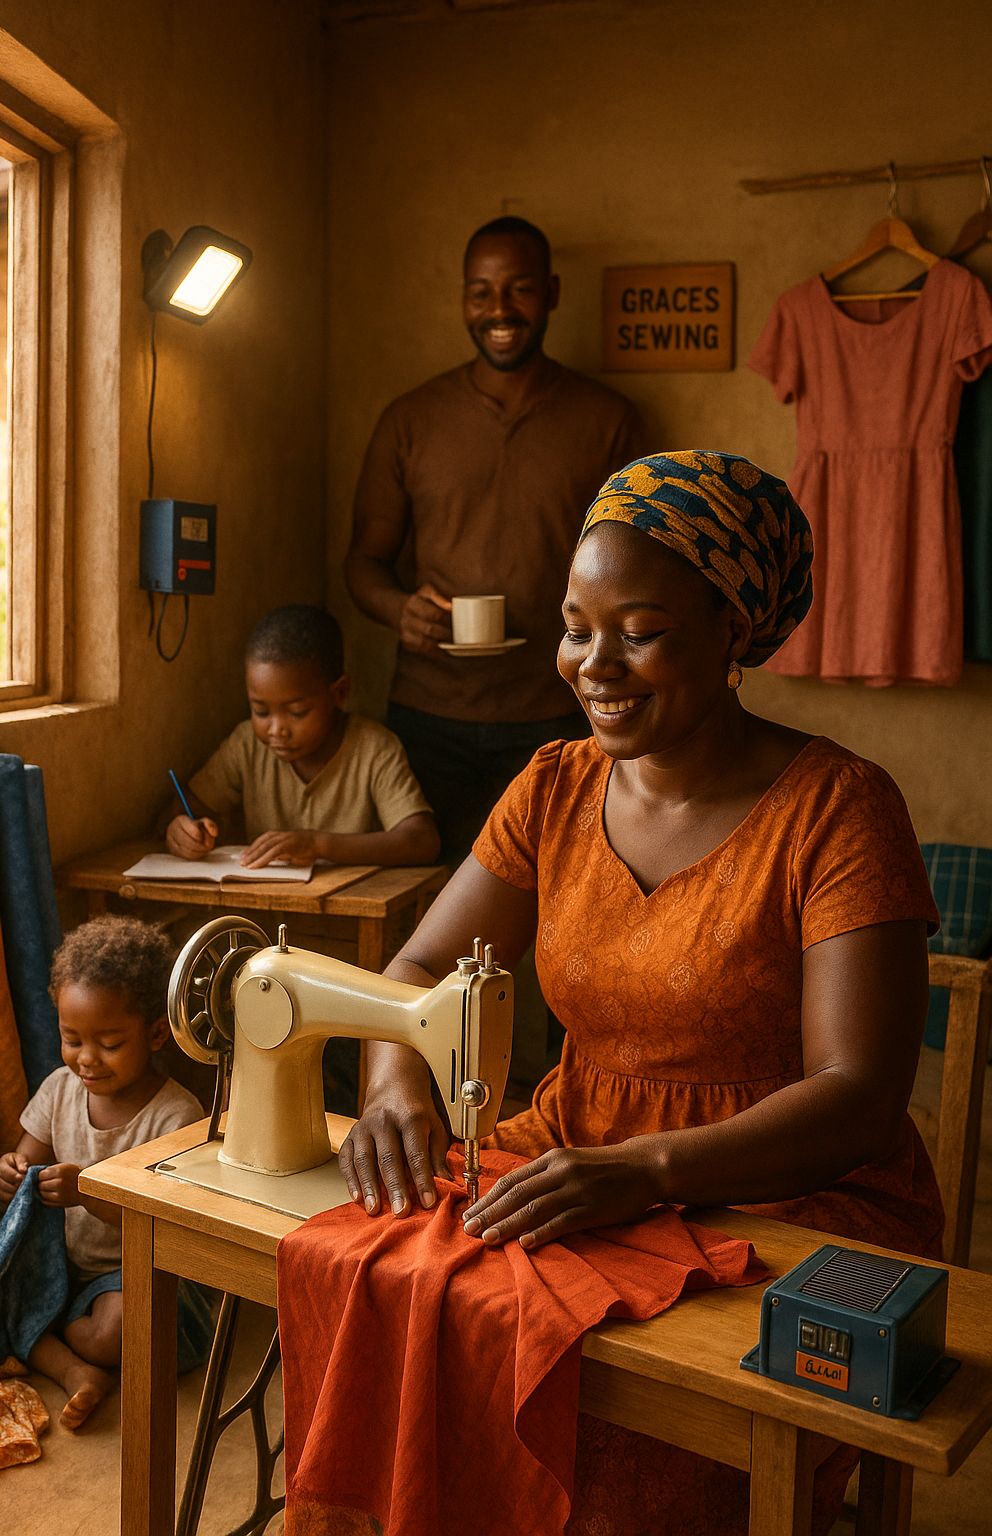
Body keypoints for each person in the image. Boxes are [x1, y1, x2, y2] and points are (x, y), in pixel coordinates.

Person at [339, 451, 942, 1534]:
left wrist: (648, 1170)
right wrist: (395, 1083)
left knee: (624, 1440)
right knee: (394, 1299)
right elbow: (418, 971)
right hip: (579, 1149)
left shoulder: (838, 810)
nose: (592, 663)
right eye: (577, 625)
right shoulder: (553, 787)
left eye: (641, 629)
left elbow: (859, 1094)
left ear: (734, 631)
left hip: (785, 1186)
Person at [344, 215, 647, 866]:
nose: (499, 310)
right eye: (480, 292)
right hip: (429, 718)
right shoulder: (410, 419)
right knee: (431, 913)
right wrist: (400, 610)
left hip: (562, 709)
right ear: (463, 300)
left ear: (553, 292)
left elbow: (642, 571)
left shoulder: (608, 420)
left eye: (520, 289)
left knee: (568, 906)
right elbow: (363, 564)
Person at [0, 916, 210, 1428]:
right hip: (62, 1265)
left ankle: (70, 1350)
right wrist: (10, 1174)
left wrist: (86, 1192)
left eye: (109, 1043)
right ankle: (74, 1373)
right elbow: (26, 1168)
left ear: (157, 1033)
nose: (86, 1060)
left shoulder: (175, 1116)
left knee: (109, 1333)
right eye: (72, 1039)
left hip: (138, 1270)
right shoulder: (58, 1090)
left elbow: (167, 1223)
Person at [167, 604, 439, 870]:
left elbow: (422, 841)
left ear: (340, 693)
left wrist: (318, 845)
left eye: (297, 713)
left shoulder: (374, 749)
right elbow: (179, 810)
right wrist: (183, 832)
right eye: (261, 711)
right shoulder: (246, 745)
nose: (276, 730)